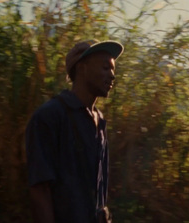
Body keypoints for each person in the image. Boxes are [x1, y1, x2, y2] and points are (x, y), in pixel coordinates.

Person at [25, 39, 124, 223]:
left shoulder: (100, 121)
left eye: (113, 69)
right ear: (82, 67)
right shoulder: (50, 116)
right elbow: (40, 188)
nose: (112, 76)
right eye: (105, 67)